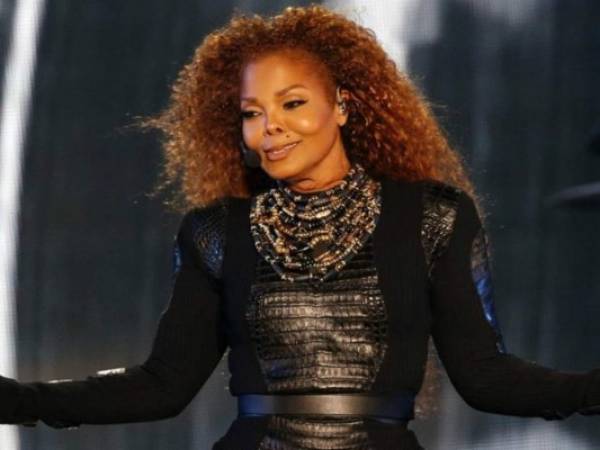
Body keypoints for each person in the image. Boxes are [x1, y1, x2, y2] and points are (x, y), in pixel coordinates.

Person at [1, 5, 600, 449]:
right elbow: (163, 385)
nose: (271, 129)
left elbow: (487, 378)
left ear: (342, 105)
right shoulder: (216, 233)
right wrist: (22, 401)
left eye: (293, 104)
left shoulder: (432, 217)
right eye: (251, 113)